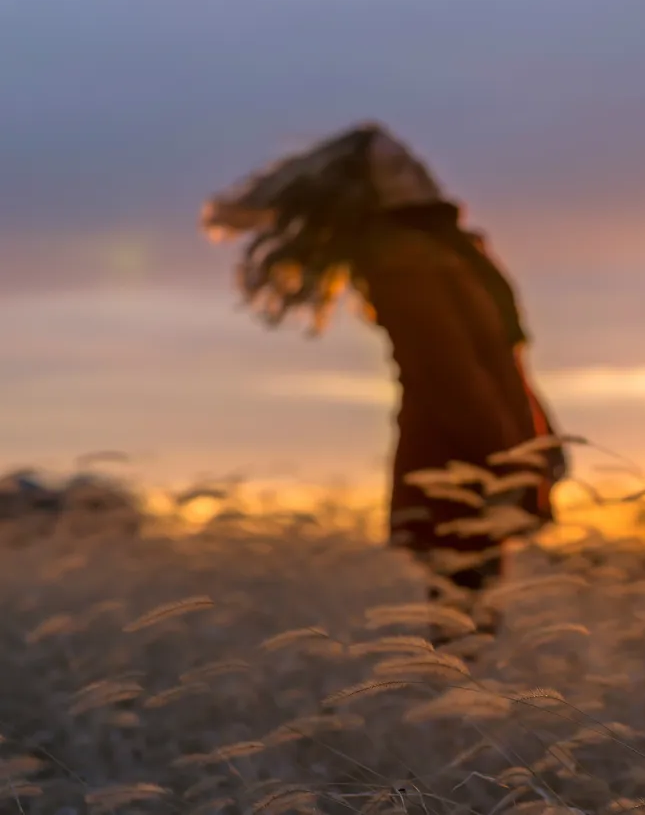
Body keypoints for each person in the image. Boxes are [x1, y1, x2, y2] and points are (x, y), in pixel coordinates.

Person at [198, 121, 568, 640]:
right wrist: (506, 459)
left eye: (411, 157)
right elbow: (444, 372)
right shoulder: (403, 257)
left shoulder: (446, 246)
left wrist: (541, 437)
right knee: (464, 621)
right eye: (397, 166)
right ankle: (451, 711)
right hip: (460, 453)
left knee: (475, 614)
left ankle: (461, 707)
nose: (417, 168)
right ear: (373, 191)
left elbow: (503, 359)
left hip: (492, 442)